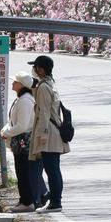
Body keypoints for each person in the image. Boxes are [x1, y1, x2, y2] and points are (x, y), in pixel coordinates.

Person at [29, 55, 69, 213]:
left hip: (49, 134)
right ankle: (55, 200)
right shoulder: (51, 83)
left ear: (41, 69)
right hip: (55, 131)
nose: (34, 69)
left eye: (35, 67)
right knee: (54, 169)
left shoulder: (44, 87)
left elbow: (44, 114)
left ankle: (55, 202)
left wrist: (42, 136)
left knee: (51, 170)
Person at [1, 71, 38, 212]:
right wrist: (5, 130)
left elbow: (22, 126)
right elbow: (13, 121)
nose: (13, 83)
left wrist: (6, 133)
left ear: (21, 85)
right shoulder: (22, 99)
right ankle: (24, 200)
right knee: (21, 171)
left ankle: (27, 202)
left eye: (15, 81)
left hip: (23, 142)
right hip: (20, 141)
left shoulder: (25, 101)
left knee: (23, 172)